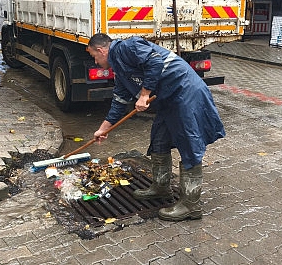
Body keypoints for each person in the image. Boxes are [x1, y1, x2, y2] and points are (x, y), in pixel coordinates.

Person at [87, 33, 225, 221]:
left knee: (189, 145)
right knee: (159, 140)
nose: (95, 62)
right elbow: (119, 100)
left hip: (184, 92)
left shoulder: (127, 47)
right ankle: (161, 188)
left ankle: (191, 205)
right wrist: (103, 129)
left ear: (102, 50)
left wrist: (144, 95)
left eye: (94, 56)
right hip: (167, 100)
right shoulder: (119, 68)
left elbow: (155, 61)